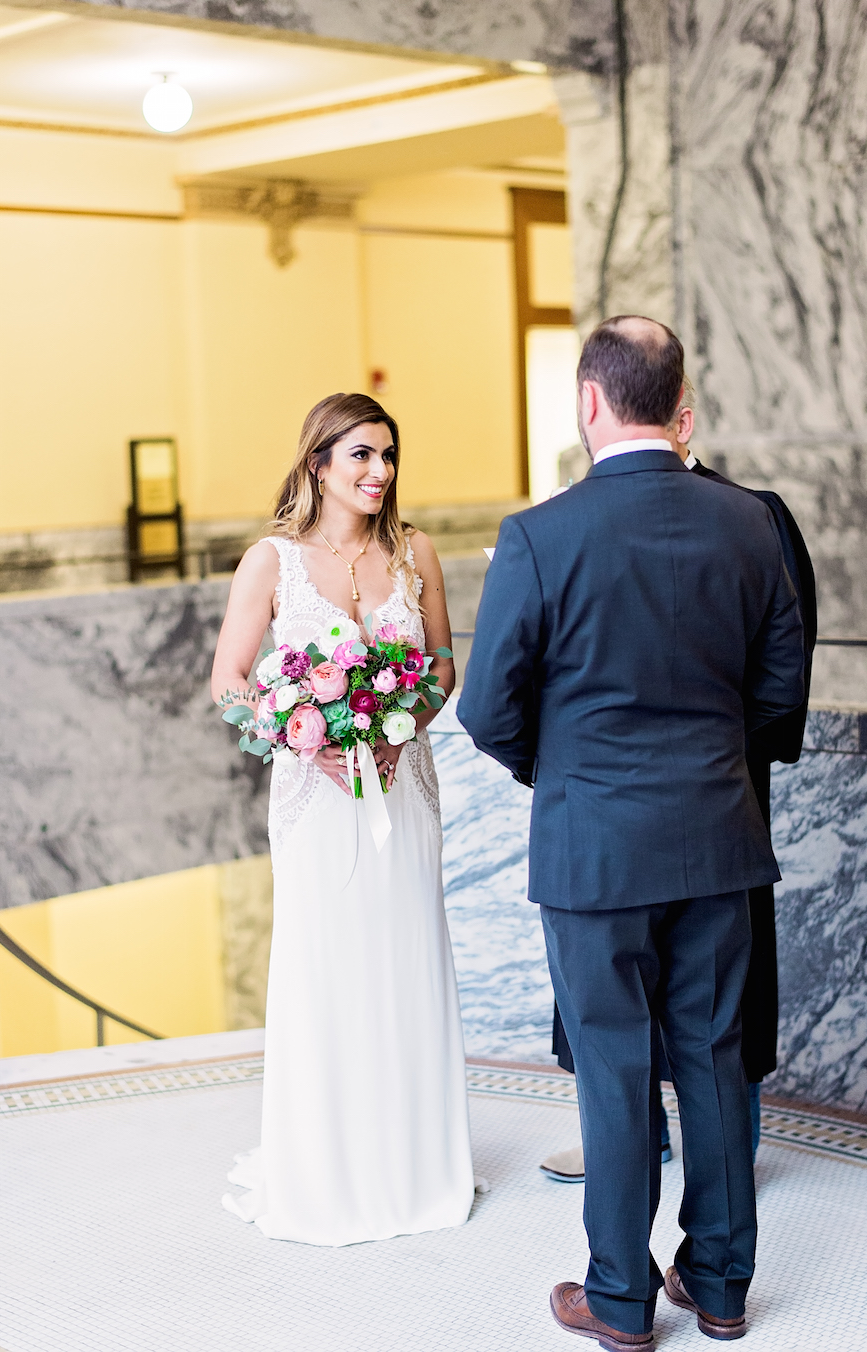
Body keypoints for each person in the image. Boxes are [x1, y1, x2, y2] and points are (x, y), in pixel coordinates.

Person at [459, 317, 806, 1348]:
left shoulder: (538, 534)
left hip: (592, 846)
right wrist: (708, 770)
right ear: (677, 399)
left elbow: (488, 706)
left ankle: (618, 1298)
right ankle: (723, 1283)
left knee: (613, 1069)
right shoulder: (752, 522)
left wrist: (560, 774)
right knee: (712, 1058)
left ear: (589, 402)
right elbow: (782, 681)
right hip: (717, 833)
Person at [211, 392, 475, 1246]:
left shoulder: (415, 554)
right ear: (318, 463)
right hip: (315, 804)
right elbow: (229, 682)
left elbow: (440, 667)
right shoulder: (273, 562)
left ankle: (414, 1165)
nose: (380, 472)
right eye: (361, 455)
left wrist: (408, 725)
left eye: (389, 456)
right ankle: (325, 1168)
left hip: (404, 792)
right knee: (327, 971)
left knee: (404, 964)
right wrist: (302, 735)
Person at [543, 378, 817, 1177]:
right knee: (617, 989)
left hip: (718, 798)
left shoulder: (754, 515)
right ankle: (637, 1143)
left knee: (718, 1000)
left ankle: (729, 1147)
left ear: (682, 419)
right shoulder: (571, 518)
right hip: (620, 801)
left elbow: (784, 671)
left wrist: (725, 762)